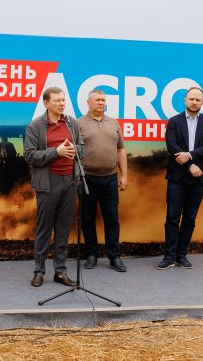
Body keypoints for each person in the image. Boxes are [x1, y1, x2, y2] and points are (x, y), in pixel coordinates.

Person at [24, 87, 84, 287]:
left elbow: (82, 149)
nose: (61, 103)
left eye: (63, 100)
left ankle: (60, 271)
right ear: (46, 103)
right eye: (57, 100)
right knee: (44, 229)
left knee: (63, 230)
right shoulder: (35, 126)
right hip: (48, 182)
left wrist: (75, 150)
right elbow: (30, 156)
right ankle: (39, 271)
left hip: (69, 181)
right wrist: (56, 152)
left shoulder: (71, 123)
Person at [158, 87, 203, 270]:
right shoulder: (174, 122)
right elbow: (172, 145)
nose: (194, 102)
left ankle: (181, 256)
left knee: (190, 218)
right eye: (191, 99)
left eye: (198, 100)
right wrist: (190, 165)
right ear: (185, 100)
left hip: (199, 177)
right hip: (177, 177)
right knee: (172, 217)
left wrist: (190, 156)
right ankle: (168, 256)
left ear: (202, 102)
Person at [77, 89, 128, 272]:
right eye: (97, 100)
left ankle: (114, 256)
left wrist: (124, 175)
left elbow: (121, 150)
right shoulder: (78, 124)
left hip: (109, 178)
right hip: (86, 178)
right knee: (88, 217)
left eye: (103, 100)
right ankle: (91, 254)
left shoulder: (113, 123)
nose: (101, 103)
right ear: (88, 102)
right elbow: (73, 153)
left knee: (111, 218)